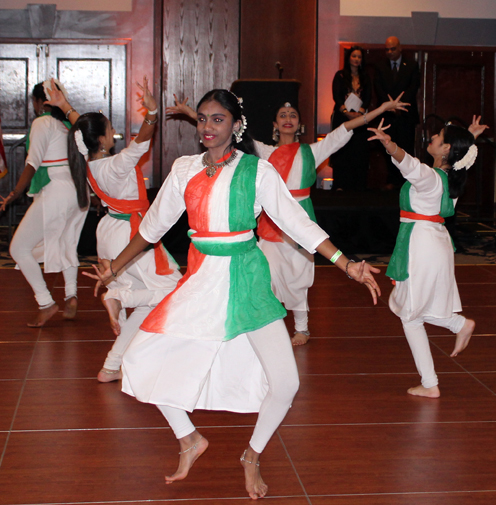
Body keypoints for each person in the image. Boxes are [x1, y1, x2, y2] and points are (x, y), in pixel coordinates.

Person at [91, 89, 382, 500]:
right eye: (203, 119)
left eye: (218, 120)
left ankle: (253, 454)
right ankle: (189, 439)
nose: (207, 128)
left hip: (246, 280)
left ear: (236, 125)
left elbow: (297, 223)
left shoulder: (257, 172)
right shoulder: (184, 170)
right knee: (139, 360)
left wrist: (346, 263)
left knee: (285, 384)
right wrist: (115, 268)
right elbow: (151, 228)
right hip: (200, 281)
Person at [165, 92, 408, 345]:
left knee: (298, 277)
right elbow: (225, 128)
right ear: (274, 124)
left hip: (300, 220)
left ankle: (302, 328)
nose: (287, 118)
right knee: (265, 277)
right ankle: (268, 328)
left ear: (299, 124)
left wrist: (382, 108)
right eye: (282, 115)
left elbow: (345, 128)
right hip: (270, 224)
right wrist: (193, 115)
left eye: (292, 115)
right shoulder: (263, 152)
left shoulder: (312, 151)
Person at [49, 76, 183, 382]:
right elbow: (143, 141)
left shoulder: (87, 161)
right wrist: (152, 113)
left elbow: (82, 128)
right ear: (101, 140)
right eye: (110, 130)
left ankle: (112, 364)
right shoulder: (115, 165)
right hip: (129, 235)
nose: (114, 133)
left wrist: (66, 106)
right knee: (172, 289)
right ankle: (120, 297)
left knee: (149, 298)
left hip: (108, 232)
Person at [367, 115, 488, 398]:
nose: (432, 138)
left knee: (410, 314)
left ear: (446, 150)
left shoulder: (432, 178)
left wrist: (389, 144)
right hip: (435, 242)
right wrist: (469, 136)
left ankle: (432, 381)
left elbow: (410, 166)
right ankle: (451, 337)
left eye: (438, 137)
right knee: (415, 309)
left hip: (421, 243)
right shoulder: (451, 180)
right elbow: (458, 160)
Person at [0, 79, 87, 327]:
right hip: (76, 190)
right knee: (66, 242)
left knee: (18, 248)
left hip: (57, 189)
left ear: (39, 102)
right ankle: (71, 296)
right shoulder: (65, 126)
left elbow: (32, 162)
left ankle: (46, 302)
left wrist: (15, 193)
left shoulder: (42, 122)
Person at [374, 36, 420, 190]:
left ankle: (406, 181)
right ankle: (392, 180)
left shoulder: (412, 65)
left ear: (400, 48)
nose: (390, 52)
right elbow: (379, 89)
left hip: (406, 114)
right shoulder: (380, 66)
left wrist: (399, 105)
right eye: (387, 49)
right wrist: (390, 106)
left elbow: (413, 88)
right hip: (388, 116)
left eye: (392, 49)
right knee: (388, 148)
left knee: (406, 148)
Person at [329, 45, 372, 191]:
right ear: (349, 58)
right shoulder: (340, 75)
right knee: (342, 151)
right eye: (354, 56)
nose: (356, 59)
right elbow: (336, 96)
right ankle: (340, 185)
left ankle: (358, 187)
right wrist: (346, 112)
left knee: (358, 151)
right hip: (342, 118)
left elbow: (368, 97)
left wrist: (359, 113)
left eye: (359, 57)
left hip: (360, 120)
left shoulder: (365, 77)